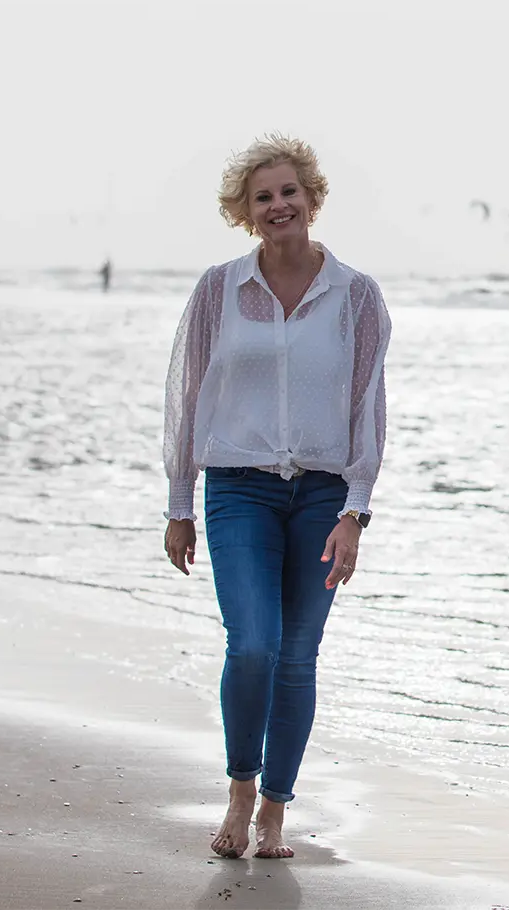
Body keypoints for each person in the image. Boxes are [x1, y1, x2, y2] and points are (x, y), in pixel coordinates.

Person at [163, 134, 391, 860]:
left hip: (324, 494)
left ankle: (273, 810)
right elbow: (186, 394)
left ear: (311, 197)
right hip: (238, 489)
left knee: (297, 654)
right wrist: (178, 503)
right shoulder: (217, 289)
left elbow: (367, 407)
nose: (278, 205)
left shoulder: (356, 295)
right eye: (263, 197)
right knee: (254, 643)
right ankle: (238, 786)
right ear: (245, 212)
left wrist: (355, 509)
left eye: (289, 191)